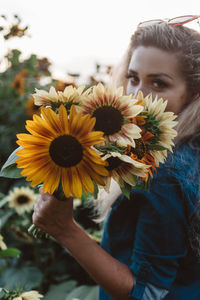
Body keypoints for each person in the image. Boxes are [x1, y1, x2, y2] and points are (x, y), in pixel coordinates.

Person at [33, 16, 200, 300]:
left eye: (158, 84)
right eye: (133, 78)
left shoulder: (163, 173)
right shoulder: (185, 151)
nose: (136, 95)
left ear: (193, 94)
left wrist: (65, 229)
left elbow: (146, 294)